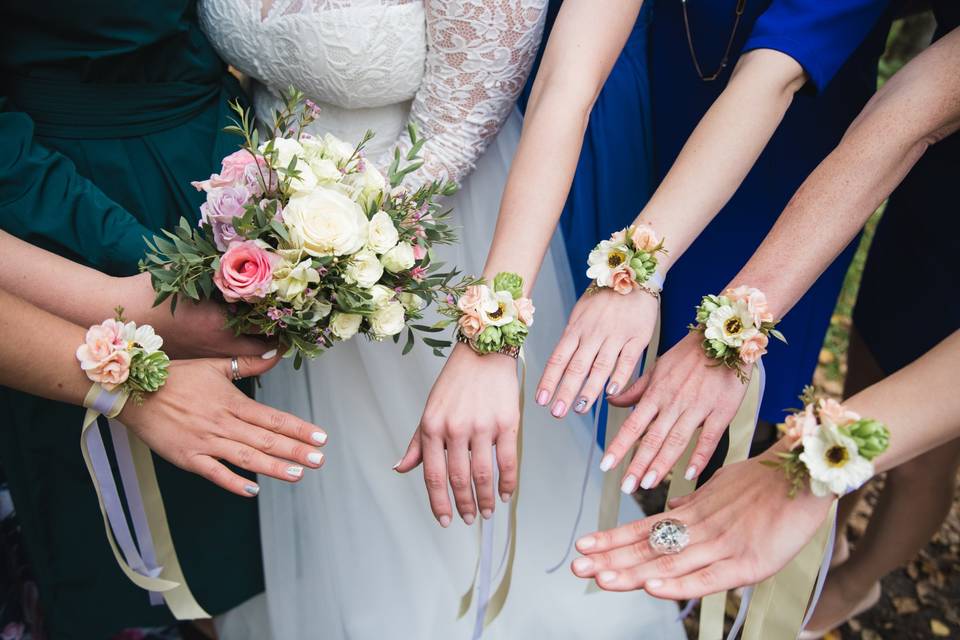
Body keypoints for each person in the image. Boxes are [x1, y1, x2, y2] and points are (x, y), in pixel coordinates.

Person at [199, 0, 683, 637]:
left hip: (425, 230)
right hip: (275, 229)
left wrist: (332, 258)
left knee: (454, 481)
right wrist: (267, 231)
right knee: (339, 477)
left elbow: (466, 128)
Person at [568, 18, 960, 615]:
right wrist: (731, 328)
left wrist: (811, 462)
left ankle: (855, 574)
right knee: (881, 344)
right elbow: (905, 118)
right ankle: (833, 517)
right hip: (941, 190)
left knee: (923, 452)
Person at [537, 0, 894, 491]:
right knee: (654, 315)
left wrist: (639, 269)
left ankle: (722, 480)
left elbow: (779, 67)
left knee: (746, 364)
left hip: (800, 122)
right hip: (668, 81)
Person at [0, 2, 271, 635]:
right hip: (64, 211)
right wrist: (152, 278)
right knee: (117, 538)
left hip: (219, 170)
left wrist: (254, 194)